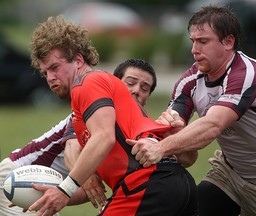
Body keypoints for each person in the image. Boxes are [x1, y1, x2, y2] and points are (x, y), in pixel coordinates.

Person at [27, 15, 198, 216]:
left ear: (79, 60)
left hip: (146, 186)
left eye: (55, 67)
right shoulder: (98, 97)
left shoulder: (88, 83)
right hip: (177, 184)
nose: (50, 78)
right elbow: (82, 164)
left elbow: (104, 137)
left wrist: (64, 190)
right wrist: (55, 195)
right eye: (45, 72)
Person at [128, 5, 256, 216]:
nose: (194, 49)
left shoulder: (247, 74)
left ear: (228, 42)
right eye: (193, 41)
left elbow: (213, 125)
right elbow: (181, 145)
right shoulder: (189, 81)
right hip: (231, 173)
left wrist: (161, 148)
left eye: (203, 41)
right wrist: (162, 136)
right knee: (200, 205)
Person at [0, 58, 158, 215]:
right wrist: (84, 178)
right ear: (113, 83)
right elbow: (71, 149)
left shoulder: (133, 129)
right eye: (130, 83)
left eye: (145, 88)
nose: (137, 90)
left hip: (49, 183)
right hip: (19, 174)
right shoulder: (92, 109)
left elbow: (91, 191)